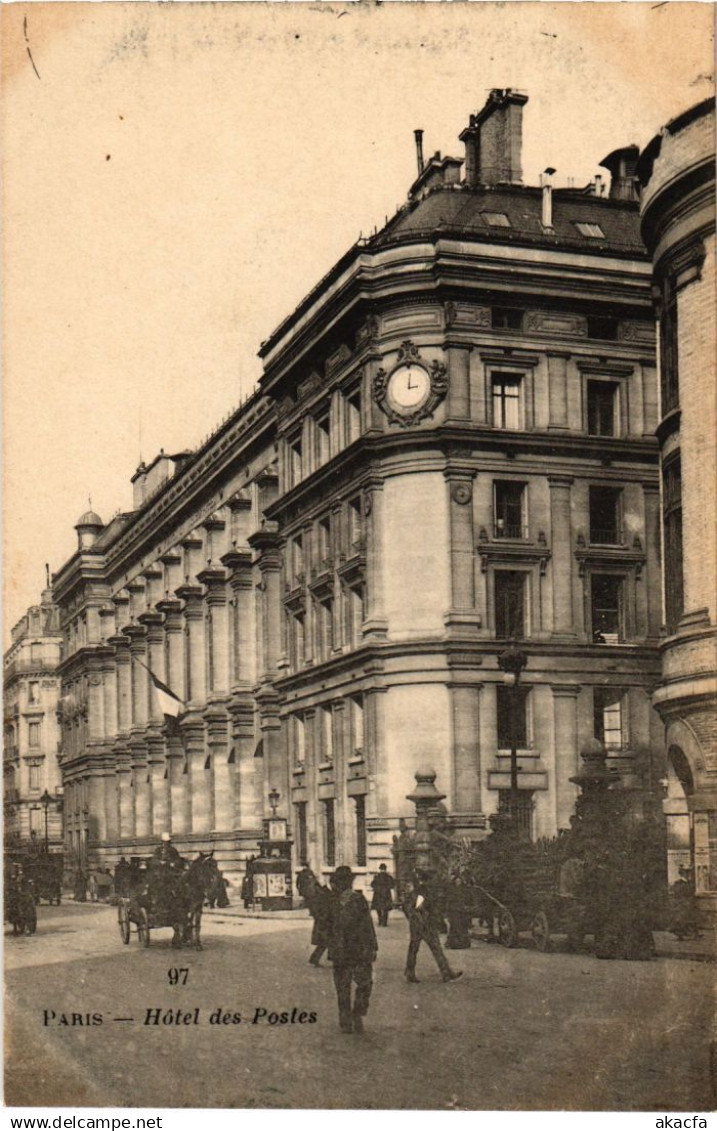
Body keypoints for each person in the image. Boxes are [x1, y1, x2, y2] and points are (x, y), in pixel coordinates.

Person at [326, 865, 378, 1034]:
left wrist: (372, 946)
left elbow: (367, 924)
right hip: (351, 949)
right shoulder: (335, 901)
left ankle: (350, 1016)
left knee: (350, 985)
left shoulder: (355, 900)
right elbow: (368, 925)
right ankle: (350, 1017)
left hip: (349, 949)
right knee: (360, 984)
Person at [404, 869, 463, 984]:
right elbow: (419, 907)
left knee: (415, 948)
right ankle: (446, 973)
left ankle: (410, 972)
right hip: (424, 924)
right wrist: (426, 917)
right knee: (434, 948)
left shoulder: (420, 890)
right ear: (427, 880)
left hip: (418, 924)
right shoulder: (422, 891)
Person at [307, 880, 332, 966]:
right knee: (326, 942)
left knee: (324, 942)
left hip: (322, 921)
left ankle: (314, 959)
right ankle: (314, 959)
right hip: (324, 921)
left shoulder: (318, 895)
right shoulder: (323, 895)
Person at [445, 874, 472, 949]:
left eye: (459, 881)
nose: (458, 882)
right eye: (456, 881)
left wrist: (467, 906)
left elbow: (468, 899)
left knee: (463, 926)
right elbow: (448, 901)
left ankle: (463, 943)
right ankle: (454, 944)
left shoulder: (465, 890)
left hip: (463, 911)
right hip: (454, 911)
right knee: (455, 926)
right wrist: (448, 911)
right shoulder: (451, 890)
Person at [370, 863, 395, 927]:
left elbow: (372, 884)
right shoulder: (389, 877)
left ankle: (380, 921)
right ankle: (384, 922)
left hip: (378, 895)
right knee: (385, 909)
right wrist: (387, 888)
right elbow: (392, 885)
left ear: (380, 869)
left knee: (378, 908)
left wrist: (377, 888)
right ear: (385, 869)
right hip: (386, 895)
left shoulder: (377, 876)